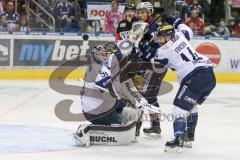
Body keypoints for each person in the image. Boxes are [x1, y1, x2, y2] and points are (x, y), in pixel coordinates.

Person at [138, 16, 216, 152]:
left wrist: (140, 44)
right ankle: (188, 137)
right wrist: (174, 19)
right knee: (192, 105)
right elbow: (184, 27)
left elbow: (151, 57)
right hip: (209, 75)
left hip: (194, 76)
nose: (159, 40)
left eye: (161, 38)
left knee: (179, 108)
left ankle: (177, 140)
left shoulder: (164, 51)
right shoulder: (181, 35)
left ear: (168, 37)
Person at [73, 44, 139, 147]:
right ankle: (85, 130)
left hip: (98, 107)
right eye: (101, 55)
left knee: (122, 104)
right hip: (96, 112)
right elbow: (112, 90)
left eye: (104, 55)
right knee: (120, 122)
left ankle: (111, 118)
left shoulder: (101, 67)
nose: (103, 57)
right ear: (95, 56)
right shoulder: (96, 69)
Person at [130, 1, 167, 137]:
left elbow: (154, 52)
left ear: (149, 12)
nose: (140, 14)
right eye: (138, 12)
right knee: (150, 97)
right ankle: (155, 127)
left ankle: (136, 128)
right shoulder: (137, 25)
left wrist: (143, 42)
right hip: (143, 65)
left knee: (139, 96)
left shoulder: (156, 28)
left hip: (153, 67)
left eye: (143, 12)